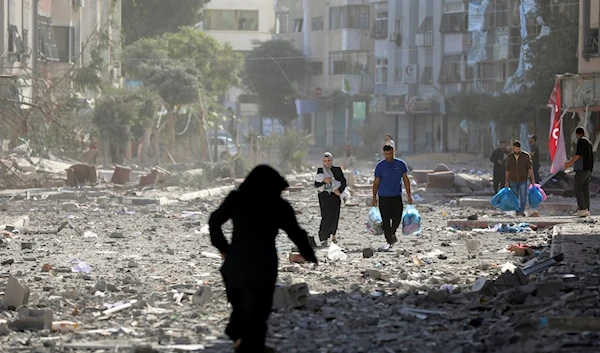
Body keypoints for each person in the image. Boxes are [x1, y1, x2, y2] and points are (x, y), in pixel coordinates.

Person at [208, 165, 318, 352]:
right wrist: (309, 255)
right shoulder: (278, 205)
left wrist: (224, 248)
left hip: (235, 264)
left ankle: (243, 341)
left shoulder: (236, 199)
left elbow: (214, 221)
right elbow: (296, 233)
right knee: (259, 310)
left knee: (242, 307)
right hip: (263, 265)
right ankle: (249, 344)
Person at [372, 144, 413, 251]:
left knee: (397, 218)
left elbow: (406, 180)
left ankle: (392, 233)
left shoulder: (400, 164)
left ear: (393, 152)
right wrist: (374, 197)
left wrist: (409, 195)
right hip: (383, 197)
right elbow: (376, 183)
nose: (389, 156)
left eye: (391, 153)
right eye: (386, 154)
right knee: (385, 220)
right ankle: (389, 241)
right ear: (383, 154)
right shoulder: (380, 166)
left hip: (396, 196)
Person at [314, 152, 347, 247]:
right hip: (324, 197)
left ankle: (333, 236)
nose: (327, 163)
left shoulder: (337, 170)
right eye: (325, 161)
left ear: (332, 160)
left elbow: (343, 182)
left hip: (335, 197)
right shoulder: (320, 170)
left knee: (335, 216)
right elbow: (316, 184)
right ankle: (324, 238)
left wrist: (339, 191)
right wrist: (324, 181)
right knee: (325, 216)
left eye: (329, 160)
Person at [564, 126, 594, 217]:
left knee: (577, 188)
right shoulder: (589, 142)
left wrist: (569, 163)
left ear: (577, 134)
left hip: (582, 169)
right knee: (585, 190)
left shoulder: (581, 141)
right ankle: (586, 209)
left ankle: (582, 208)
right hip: (588, 169)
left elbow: (578, 155)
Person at [505, 141, 535, 217]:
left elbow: (529, 168)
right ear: (513, 148)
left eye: (518, 149)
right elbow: (507, 170)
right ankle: (517, 210)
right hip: (513, 180)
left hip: (523, 179)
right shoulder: (509, 157)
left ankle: (521, 210)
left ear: (520, 148)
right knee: (515, 197)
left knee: (523, 196)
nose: (517, 151)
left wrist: (532, 179)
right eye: (515, 149)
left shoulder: (525, 156)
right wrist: (506, 181)